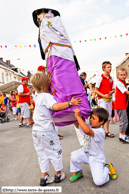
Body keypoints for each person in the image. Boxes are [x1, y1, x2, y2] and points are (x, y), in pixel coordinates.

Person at [32, 8, 91, 126]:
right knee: (58, 82)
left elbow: (62, 38)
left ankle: (72, 107)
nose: (40, 20)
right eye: (38, 18)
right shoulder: (44, 26)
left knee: (63, 81)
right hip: (53, 56)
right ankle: (68, 108)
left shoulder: (50, 21)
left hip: (60, 54)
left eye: (40, 16)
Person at [30, 72, 81, 186]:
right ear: (48, 83)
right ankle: (58, 174)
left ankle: (44, 177)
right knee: (55, 150)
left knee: (41, 153)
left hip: (36, 131)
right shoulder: (47, 96)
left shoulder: (37, 96)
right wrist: (70, 103)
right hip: (46, 130)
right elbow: (55, 107)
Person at [70, 107, 117, 185]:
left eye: (94, 118)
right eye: (91, 117)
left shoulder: (100, 132)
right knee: (74, 156)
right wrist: (73, 116)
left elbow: (87, 131)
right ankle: (78, 172)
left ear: (101, 122)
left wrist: (78, 116)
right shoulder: (89, 125)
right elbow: (78, 126)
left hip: (96, 158)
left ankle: (107, 167)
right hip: (85, 153)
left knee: (99, 182)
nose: (91, 119)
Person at [95, 61, 115, 138]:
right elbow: (96, 90)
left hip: (109, 99)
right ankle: (101, 132)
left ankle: (107, 131)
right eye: (108, 67)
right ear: (104, 68)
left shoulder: (111, 78)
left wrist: (111, 92)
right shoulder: (100, 78)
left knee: (109, 115)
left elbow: (113, 89)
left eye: (110, 67)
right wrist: (103, 95)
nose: (110, 68)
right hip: (102, 99)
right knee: (103, 115)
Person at [115, 68, 129, 143]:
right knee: (124, 121)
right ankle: (123, 137)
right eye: (121, 75)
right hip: (120, 105)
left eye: (124, 74)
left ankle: (122, 135)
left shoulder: (123, 83)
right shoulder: (119, 83)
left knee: (123, 121)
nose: (123, 76)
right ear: (118, 75)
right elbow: (127, 92)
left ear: (126, 75)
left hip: (122, 104)